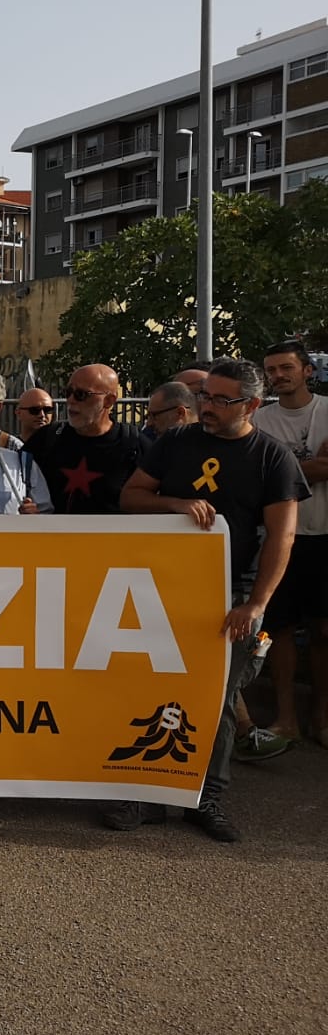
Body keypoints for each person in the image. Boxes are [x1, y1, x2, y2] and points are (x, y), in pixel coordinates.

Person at [108, 359, 307, 841]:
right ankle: (144, 795)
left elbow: (282, 538)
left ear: (252, 405)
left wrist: (256, 604)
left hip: (232, 591)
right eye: (206, 397)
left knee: (216, 699)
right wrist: (175, 505)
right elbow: (131, 497)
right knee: (149, 688)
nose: (209, 407)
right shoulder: (176, 441)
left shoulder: (273, 456)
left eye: (223, 400)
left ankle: (206, 797)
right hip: (163, 585)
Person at [253, 340, 328, 744]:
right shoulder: (261, 420)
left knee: (323, 631)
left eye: (286, 368)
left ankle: (322, 717)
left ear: (307, 371)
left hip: (324, 536)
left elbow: (277, 474)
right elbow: (262, 477)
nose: (278, 375)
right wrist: (313, 466)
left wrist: (286, 469)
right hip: (280, 539)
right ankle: (286, 719)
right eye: (271, 369)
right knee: (278, 629)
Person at [22, 363, 148, 515]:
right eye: (68, 392)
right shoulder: (47, 438)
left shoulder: (134, 444)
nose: (71, 400)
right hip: (54, 537)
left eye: (81, 394)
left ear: (109, 400)